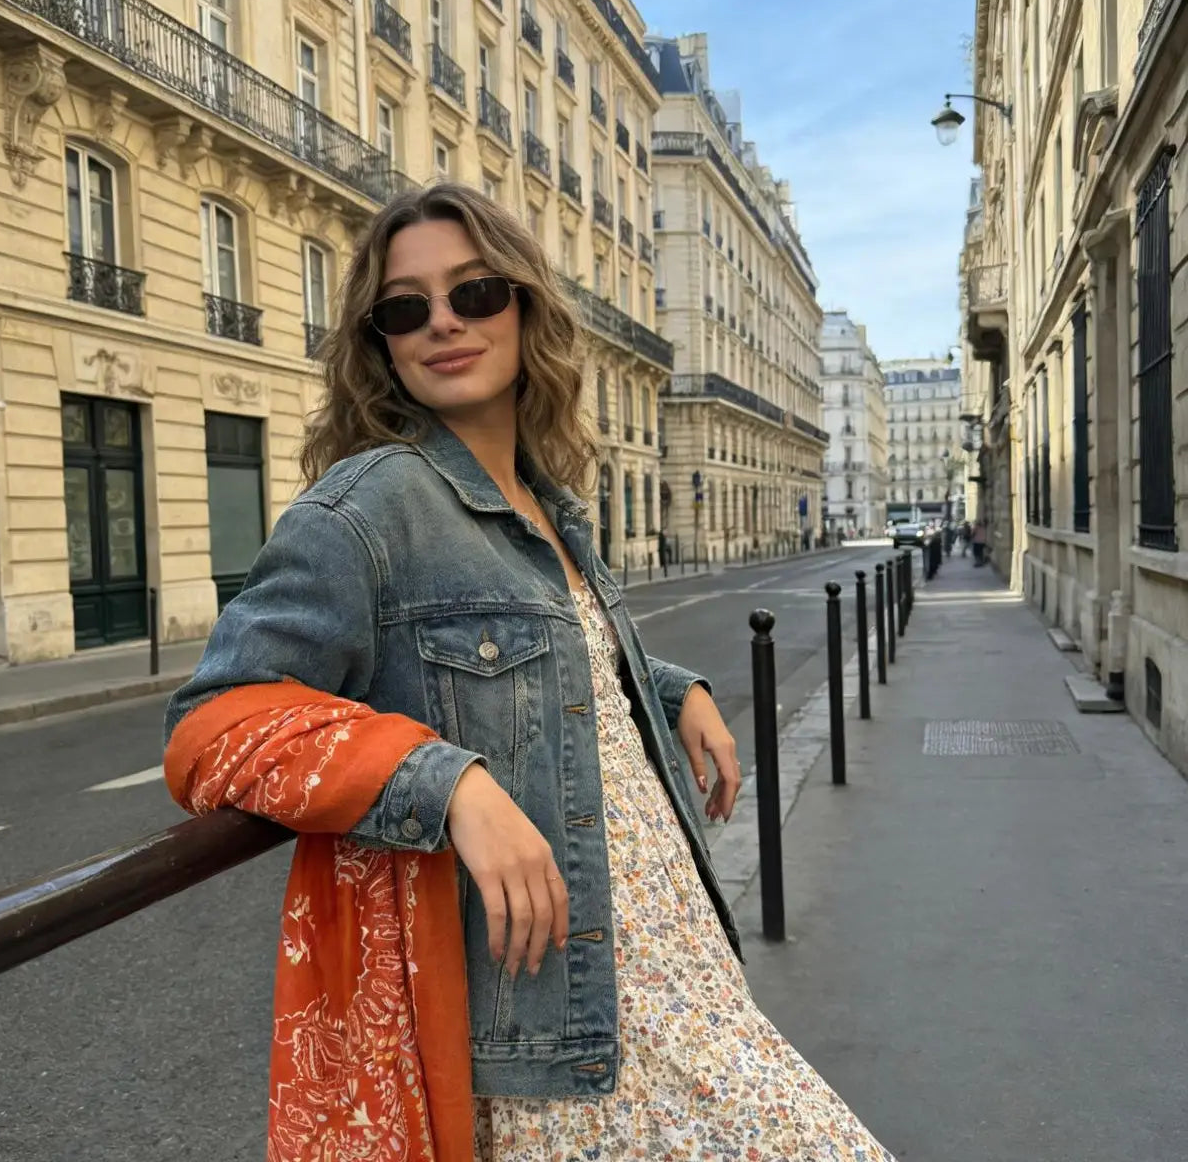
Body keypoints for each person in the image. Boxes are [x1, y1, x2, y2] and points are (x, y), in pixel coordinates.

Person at [163, 184, 895, 1161]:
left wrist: (666, 688)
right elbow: (214, 722)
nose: (442, 325)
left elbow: (536, 654)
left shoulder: (543, 496)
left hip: (676, 965)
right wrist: (449, 782)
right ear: (379, 341)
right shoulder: (368, 506)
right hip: (566, 1032)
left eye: (474, 293)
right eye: (405, 308)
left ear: (526, 307)